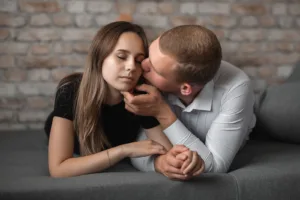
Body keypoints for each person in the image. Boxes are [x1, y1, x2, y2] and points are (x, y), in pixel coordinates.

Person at [123, 25, 256, 180]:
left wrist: (162, 112)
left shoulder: (236, 87)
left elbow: (214, 167)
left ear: (185, 88)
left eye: (154, 69)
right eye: (148, 55)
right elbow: (134, 146)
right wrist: (159, 163)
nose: (142, 64)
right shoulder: (146, 77)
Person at [44, 21, 173, 178]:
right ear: (100, 58)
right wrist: (124, 150)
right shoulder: (70, 91)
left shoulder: (139, 97)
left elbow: (167, 150)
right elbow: (59, 169)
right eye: (121, 56)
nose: (131, 66)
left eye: (138, 60)